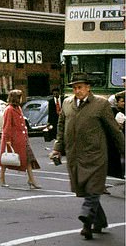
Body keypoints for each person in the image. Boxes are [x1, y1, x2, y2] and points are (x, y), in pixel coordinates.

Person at [52, 73, 125, 240]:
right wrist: (57, 148)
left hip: (96, 156)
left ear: (88, 87)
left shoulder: (101, 104)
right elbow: (61, 127)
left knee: (93, 189)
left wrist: (124, 149)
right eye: (74, 87)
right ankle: (100, 221)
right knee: (86, 191)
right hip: (75, 156)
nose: (77, 90)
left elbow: (114, 130)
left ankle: (86, 223)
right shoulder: (67, 103)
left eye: (80, 87)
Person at [0, 89, 40, 189]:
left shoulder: (18, 108)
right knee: (7, 159)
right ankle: (1, 177)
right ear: (16, 98)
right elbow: (7, 126)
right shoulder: (9, 110)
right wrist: (8, 140)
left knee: (28, 159)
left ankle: (31, 179)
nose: (22, 99)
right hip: (13, 139)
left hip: (22, 139)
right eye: (20, 97)